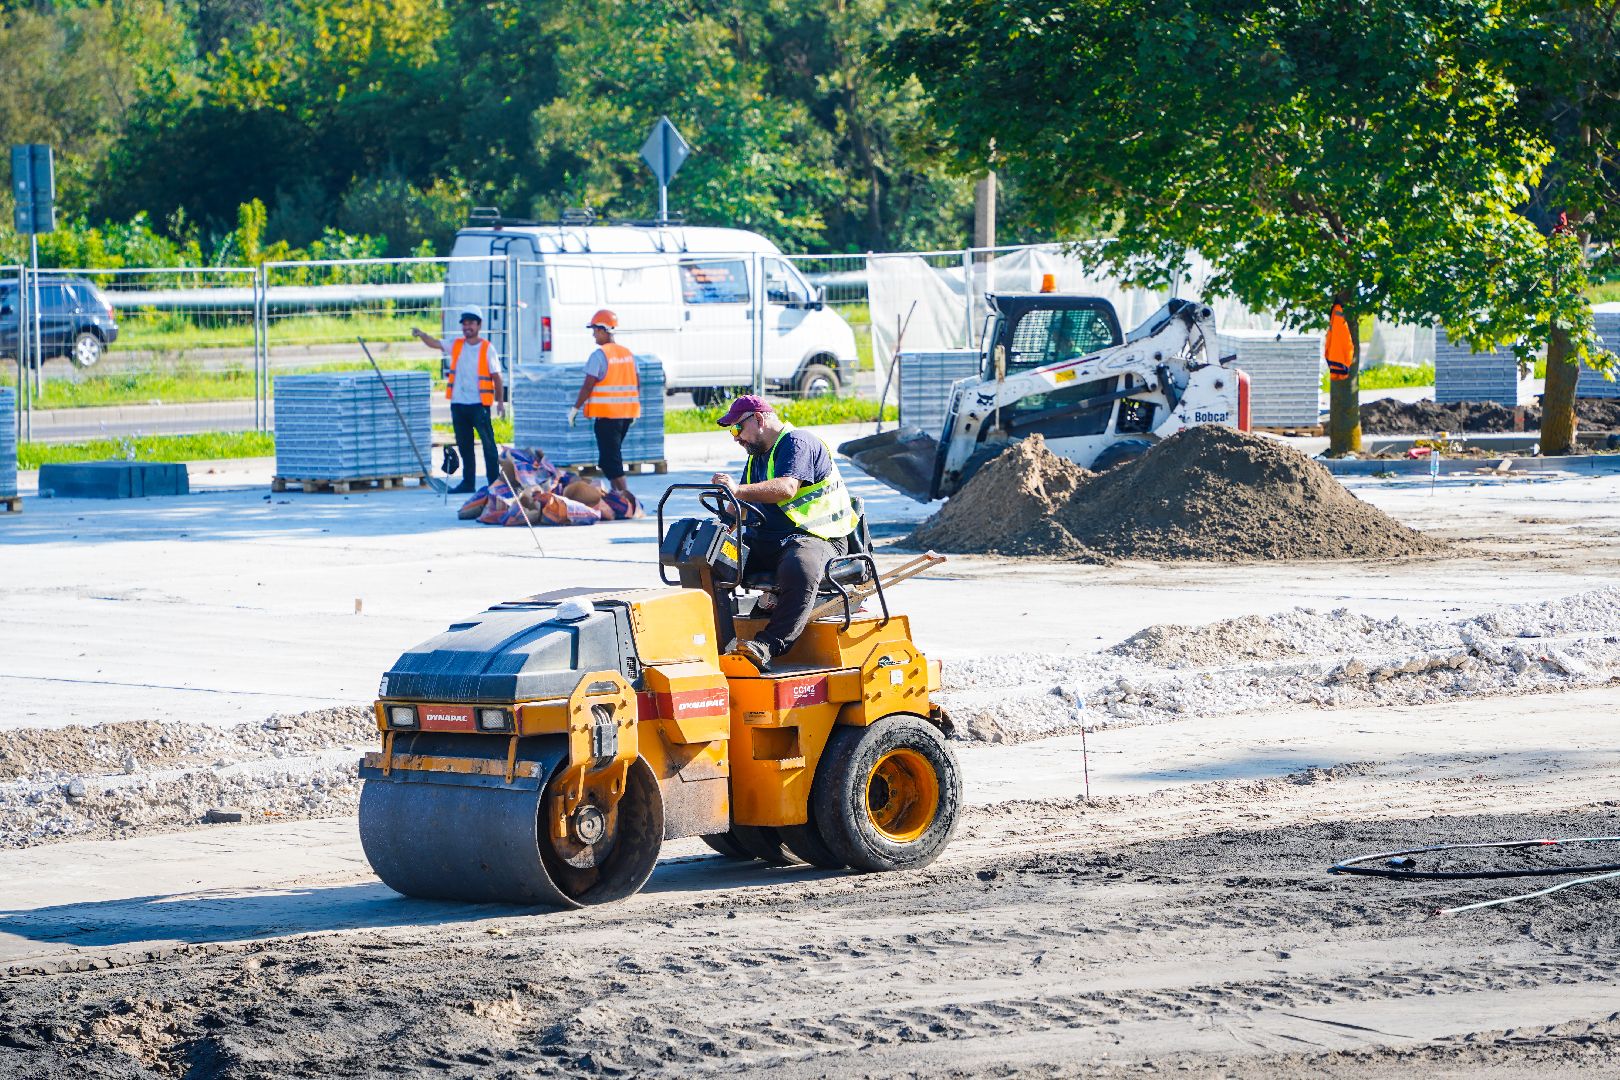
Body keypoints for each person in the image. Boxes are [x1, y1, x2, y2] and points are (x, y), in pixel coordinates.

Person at [709, 394, 859, 670]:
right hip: (773, 539)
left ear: (758, 419)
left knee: (798, 565)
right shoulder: (757, 458)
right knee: (714, 558)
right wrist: (721, 527)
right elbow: (742, 505)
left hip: (819, 537)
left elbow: (787, 488)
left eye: (737, 429)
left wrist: (738, 491)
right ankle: (714, 638)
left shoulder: (797, 442)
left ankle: (769, 644)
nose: (735, 437)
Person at [413, 305, 504, 494]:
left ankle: (494, 483)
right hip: (459, 404)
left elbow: (497, 377)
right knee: (465, 446)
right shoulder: (456, 345)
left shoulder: (487, 348)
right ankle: (468, 482)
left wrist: (500, 402)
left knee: (488, 445)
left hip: (479, 404)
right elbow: (435, 343)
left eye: (471, 323)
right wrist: (422, 334)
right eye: (464, 324)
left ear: (479, 325)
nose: (467, 327)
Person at [568, 309, 641, 508]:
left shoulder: (600, 355)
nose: (593, 334)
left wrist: (575, 408)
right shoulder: (627, 354)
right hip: (625, 415)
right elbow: (637, 383)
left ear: (603, 330)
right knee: (609, 459)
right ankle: (619, 495)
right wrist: (634, 407)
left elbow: (588, 385)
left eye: (594, 330)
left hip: (607, 416)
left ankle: (627, 500)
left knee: (612, 460)